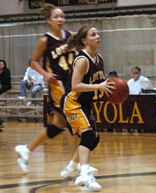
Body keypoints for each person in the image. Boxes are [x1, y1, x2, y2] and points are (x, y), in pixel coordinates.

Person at [15, 3, 77, 173]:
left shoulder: (71, 36)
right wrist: (45, 74)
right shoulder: (45, 40)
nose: (60, 19)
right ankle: (77, 165)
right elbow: (33, 61)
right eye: (56, 17)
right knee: (73, 122)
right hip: (57, 86)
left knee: (58, 124)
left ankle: (27, 149)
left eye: (62, 16)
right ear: (49, 20)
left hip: (71, 83)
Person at [63, 26, 114, 191]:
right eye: (93, 34)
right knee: (88, 136)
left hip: (86, 103)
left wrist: (108, 88)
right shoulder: (82, 60)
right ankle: (84, 174)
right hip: (73, 103)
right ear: (85, 40)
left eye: (98, 33)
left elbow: (99, 82)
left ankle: (73, 166)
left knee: (94, 138)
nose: (98, 36)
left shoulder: (99, 58)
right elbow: (75, 86)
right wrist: (98, 86)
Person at [0, 59, 11, 129]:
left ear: (4, 65)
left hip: (5, 86)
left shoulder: (7, 71)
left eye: (1, 64)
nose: (0, 65)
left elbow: (6, 81)